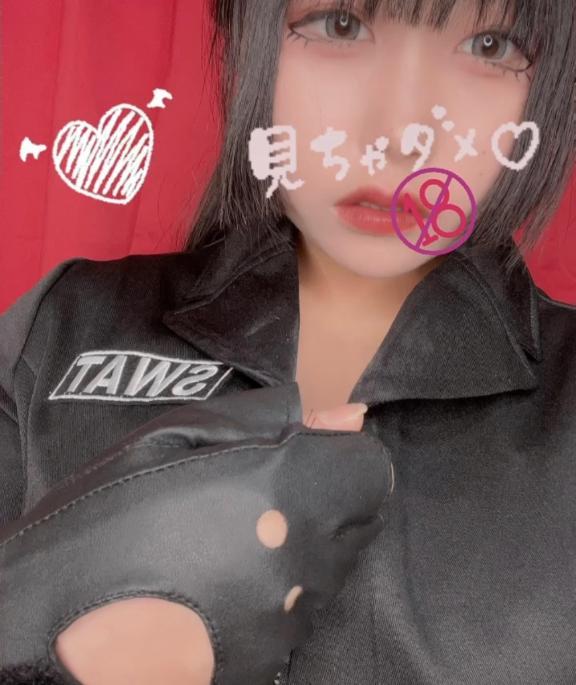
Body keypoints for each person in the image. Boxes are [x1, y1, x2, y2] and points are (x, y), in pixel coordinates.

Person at [1, 0, 575, 682]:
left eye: (491, 45)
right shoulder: (60, 328)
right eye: (341, 25)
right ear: (247, 37)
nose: (401, 136)